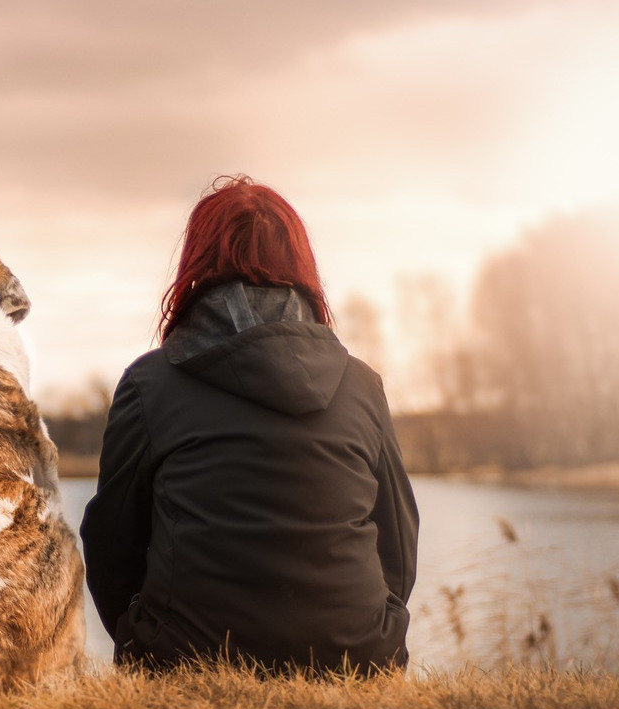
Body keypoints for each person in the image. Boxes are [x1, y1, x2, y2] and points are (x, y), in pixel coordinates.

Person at [80, 175, 419, 675]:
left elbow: (111, 543)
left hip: (184, 658)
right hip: (356, 658)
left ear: (196, 264)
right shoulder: (362, 385)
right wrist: (372, 628)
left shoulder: (149, 384)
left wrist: (143, 636)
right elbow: (398, 541)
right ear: (300, 265)